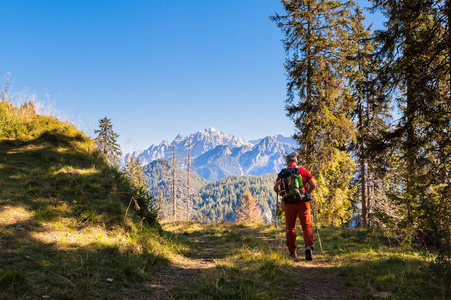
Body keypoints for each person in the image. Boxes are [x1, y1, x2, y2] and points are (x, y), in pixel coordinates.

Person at [274, 153, 316, 260]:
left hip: (289, 203)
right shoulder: (303, 171)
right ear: (296, 162)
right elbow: (313, 185)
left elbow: (276, 188)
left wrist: (283, 193)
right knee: (306, 225)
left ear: (287, 163)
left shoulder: (283, 173)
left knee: (290, 227)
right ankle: (308, 246)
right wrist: (307, 192)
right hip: (303, 202)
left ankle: (292, 251)